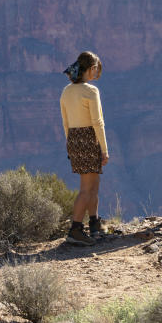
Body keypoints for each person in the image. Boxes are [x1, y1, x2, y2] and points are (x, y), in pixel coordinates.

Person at [60, 51, 109, 245]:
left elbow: (65, 122)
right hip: (89, 137)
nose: (96, 72)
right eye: (95, 68)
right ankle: (76, 229)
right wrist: (104, 149)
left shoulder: (66, 91)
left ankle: (94, 222)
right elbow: (98, 122)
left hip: (73, 138)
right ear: (90, 69)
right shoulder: (91, 91)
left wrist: (71, 145)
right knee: (87, 189)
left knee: (93, 184)